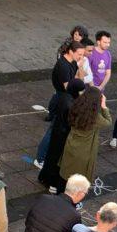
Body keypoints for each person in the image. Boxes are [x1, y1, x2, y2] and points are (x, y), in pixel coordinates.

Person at [36, 40, 83, 169]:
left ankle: (52, 155)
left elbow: (78, 77)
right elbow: (68, 86)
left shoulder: (73, 62)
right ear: (71, 51)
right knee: (53, 130)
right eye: (79, 54)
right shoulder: (63, 65)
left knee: (60, 130)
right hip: (61, 100)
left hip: (67, 99)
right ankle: (40, 158)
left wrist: (80, 68)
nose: (81, 57)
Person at [39, 79, 84, 193]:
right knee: (57, 159)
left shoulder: (64, 97)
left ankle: (44, 177)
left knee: (51, 155)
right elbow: (71, 120)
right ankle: (51, 182)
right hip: (63, 134)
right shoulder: (70, 103)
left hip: (57, 130)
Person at [60, 86, 111, 182]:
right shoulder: (95, 117)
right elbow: (108, 122)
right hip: (84, 151)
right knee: (78, 178)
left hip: (71, 144)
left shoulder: (75, 106)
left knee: (66, 172)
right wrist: (104, 106)